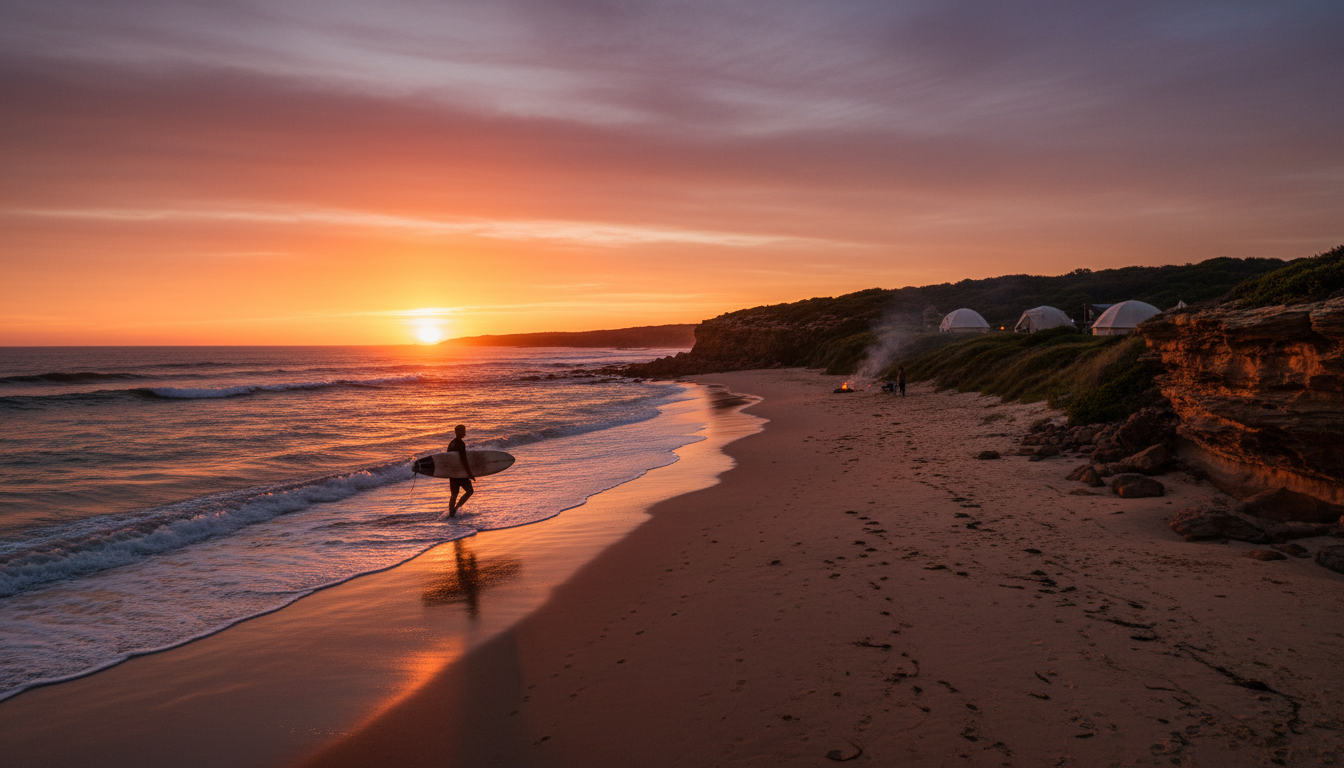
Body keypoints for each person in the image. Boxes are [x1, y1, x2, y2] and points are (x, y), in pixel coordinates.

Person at [447, 424, 475, 517]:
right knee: (470, 491)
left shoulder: (451, 443)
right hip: (460, 473)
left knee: (454, 494)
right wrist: (469, 473)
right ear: (458, 432)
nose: (464, 433)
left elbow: (448, 459)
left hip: (453, 473)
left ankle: (451, 513)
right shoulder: (461, 443)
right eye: (463, 431)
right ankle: (456, 508)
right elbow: (463, 459)